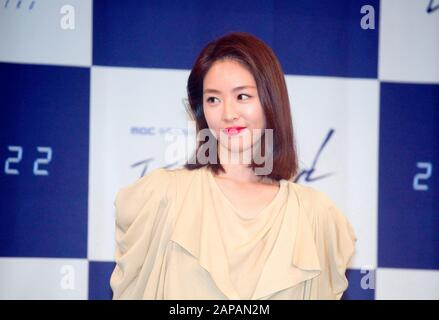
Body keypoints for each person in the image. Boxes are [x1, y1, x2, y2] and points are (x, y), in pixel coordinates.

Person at [109, 32, 357, 300]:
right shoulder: (162, 198)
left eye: (242, 96)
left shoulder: (316, 216)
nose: (228, 114)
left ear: (270, 99)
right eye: (213, 99)